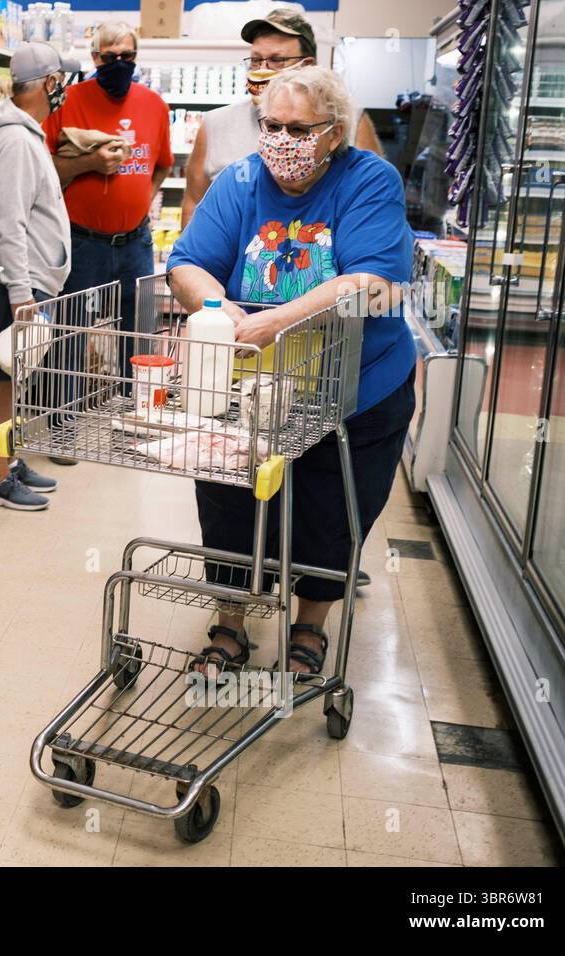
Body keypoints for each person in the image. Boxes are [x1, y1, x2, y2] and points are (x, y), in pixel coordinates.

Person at [165, 66, 415, 678]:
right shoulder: (240, 182)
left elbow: (370, 283)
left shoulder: (368, 181)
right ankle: (229, 622)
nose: (281, 139)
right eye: (270, 126)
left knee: (330, 506)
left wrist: (273, 322)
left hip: (356, 385)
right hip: (250, 384)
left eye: (298, 128)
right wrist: (220, 313)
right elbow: (188, 263)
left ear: (334, 133)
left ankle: (309, 628)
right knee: (229, 495)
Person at [43, 20, 172, 463]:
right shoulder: (68, 102)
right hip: (82, 240)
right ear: (94, 57)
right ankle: (61, 426)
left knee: (137, 334)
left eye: (127, 57)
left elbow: (162, 166)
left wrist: (139, 204)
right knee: (70, 332)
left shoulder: (154, 105)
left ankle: (133, 424)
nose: (119, 65)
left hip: (135, 240)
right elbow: (49, 173)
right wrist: (91, 164)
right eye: (109, 57)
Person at [0, 41, 76, 511]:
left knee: (16, 376)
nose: (64, 92)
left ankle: (7, 461)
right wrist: (20, 291)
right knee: (5, 377)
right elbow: (9, 223)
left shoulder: (25, 133)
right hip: (23, 281)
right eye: (62, 83)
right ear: (49, 83)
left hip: (32, 278)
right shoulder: (15, 140)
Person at [181, 8, 383, 229]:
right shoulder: (215, 124)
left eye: (277, 60)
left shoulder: (347, 122)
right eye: (256, 60)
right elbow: (194, 204)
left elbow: (373, 205)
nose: (262, 69)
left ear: (307, 66)